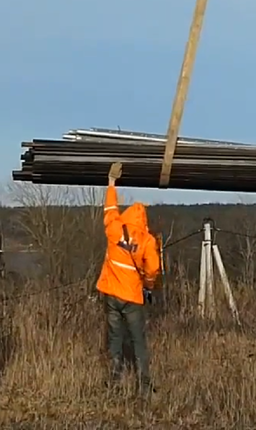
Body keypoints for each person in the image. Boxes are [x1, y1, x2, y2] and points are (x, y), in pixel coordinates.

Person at [96, 161, 161, 393]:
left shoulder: (116, 229)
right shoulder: (147, 240)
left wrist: (111, 182)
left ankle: (115, 381)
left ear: (128, 216)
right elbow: (152, 270)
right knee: (137, 341)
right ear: (143, 221)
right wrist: (149, 285)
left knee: (114, 338)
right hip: (132, 297)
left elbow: (109, 208)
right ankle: (144, 385)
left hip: (111, 293)